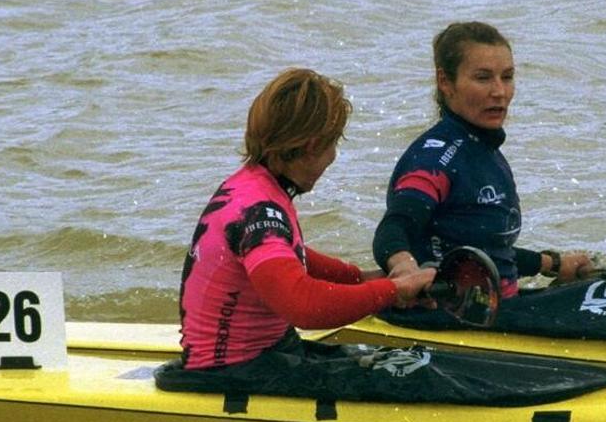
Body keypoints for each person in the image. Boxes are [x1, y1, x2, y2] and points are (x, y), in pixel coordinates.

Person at [177, 68, 435, 372]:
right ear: (313, 145)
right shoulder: (259, 211)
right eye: (333, 144)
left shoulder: (249, 186)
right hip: (233, 371)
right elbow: (302, 304)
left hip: (259, 355)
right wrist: (394, 291)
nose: (332, 157)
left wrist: (370, 279)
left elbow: (293, 261)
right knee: (419, 373)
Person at [372, 21, 593, 299]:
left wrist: (553, 265)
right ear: (445, 82)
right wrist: (404, 268)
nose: (499, 91)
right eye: (483, 78)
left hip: (498, 307)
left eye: (507, 77)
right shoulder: (435, 158)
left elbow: (485, 249)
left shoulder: (483, 150)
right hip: (451, 317)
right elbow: (394, 227)